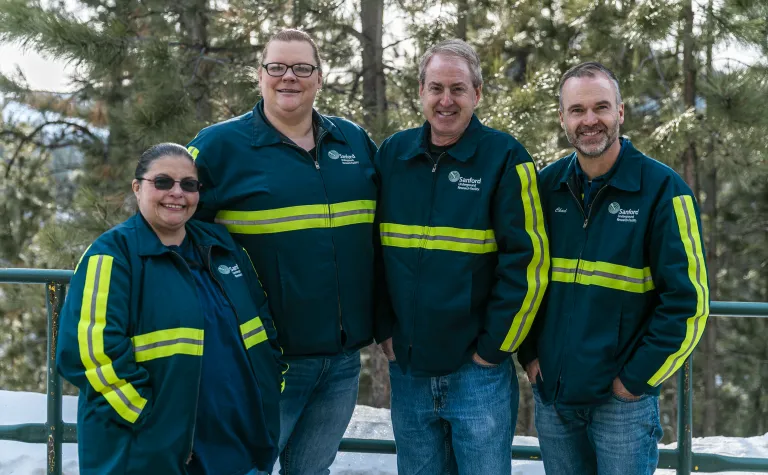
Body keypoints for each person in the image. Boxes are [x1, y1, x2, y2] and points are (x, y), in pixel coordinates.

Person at [186, 29, 378, 474]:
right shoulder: (217, 148)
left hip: (342, 362)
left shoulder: (353, 142)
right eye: (277, 67)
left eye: (302, 68)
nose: (288, 77)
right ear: (260, 76)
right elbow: (171, 235)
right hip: (263, 363)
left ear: (320, 77)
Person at [517, 62, 710, 474]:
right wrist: (531, 354)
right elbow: (522, 275)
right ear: (563, 118)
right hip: (554, 397)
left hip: (621, 406)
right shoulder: (545, 188)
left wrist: (634, 382)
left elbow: (688, 304)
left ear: (620, 113)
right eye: (577, 110)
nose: (590, 121)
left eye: (601, 108)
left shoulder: (664, 191)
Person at [374, 39, 550, 474]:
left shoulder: (506, 157)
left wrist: (494, 350)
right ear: (420, 92)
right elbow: (370, 253)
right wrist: (383, 331)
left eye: (457, 89)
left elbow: (528, 263)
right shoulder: (393, 155)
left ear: (478, 93)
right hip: (409, 368)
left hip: (478, 373)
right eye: (436, 88)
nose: (445, 100)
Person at [56, 143, 284, 475]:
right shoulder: (112, 255)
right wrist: (155, 425)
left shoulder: (222, 247)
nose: (177, 193)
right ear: (137, 187)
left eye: (189, 184)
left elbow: (262, 322)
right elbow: (90, 356)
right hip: (151, 454)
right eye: (162, 182)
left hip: (238, 449)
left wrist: (269, 384)